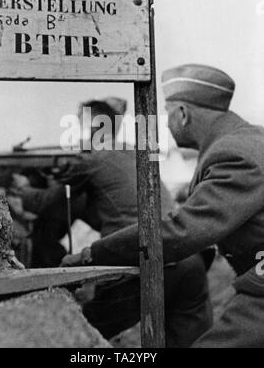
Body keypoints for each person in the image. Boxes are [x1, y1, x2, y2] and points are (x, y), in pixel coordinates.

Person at [62, 64, 264, 348]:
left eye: (168, 114)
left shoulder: (231, 153)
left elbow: (183, 230)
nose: (166, 124)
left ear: (182, 113)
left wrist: (90, 254)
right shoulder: (248, 139)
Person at [14, 96, 212, 347]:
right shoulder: (134, 152)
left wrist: (20, 189)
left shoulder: (91, 161)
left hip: (146, 266)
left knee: (80, 335)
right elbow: (121, 207)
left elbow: (44, 203)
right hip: (189, 259)